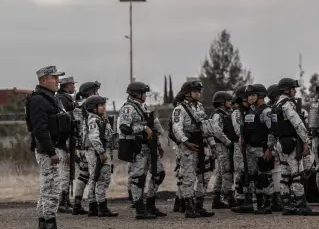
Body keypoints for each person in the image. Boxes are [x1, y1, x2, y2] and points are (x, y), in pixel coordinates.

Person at [25, 66, 76, 229]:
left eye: (58, 78)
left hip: (54, 148)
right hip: (49, 151)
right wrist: (51, 151)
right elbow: (39, 129)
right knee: (52, 191)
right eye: (54, 78)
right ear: (43, 80)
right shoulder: (38, 100)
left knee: (47, 190)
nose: (58, 81)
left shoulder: (50, 99)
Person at [171, 80, 230, 218]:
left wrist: (213, 145)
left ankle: (199, 205)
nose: (199, 93)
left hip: (203, 145)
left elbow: (206, 128)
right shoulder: (179, 109)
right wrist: (185, 142)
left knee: (205, 176)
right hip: (188, 146)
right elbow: (176, 128)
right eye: (196, 91)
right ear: (187, 93)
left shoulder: (200, 107)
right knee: (189, 178)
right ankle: (189, 208)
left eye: (199, 91)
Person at [271, 78, 319, 216]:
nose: (295, 91)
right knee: (297, 174)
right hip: (292, 143)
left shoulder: (276, 106)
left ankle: (287, 204)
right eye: (293, 88)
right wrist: (306, 141)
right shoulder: (288, 105)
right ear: (287, 90)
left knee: (285, 174)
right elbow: (298, 124)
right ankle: (301, 204)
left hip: (281, 143)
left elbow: (273, 128)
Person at [118, 81, 166, 219]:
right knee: (138, 177)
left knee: (159, 173)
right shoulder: (128, 108)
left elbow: (153, 128)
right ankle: (139, 208)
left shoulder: (143, 107)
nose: (145, 95)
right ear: (137, 94)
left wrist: (158, 145)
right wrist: (143, 128)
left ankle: (150, 204)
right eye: (144, 93)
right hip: (137, 147)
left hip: (149, 146)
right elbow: (124, 128)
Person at [232, 84, 275, 214]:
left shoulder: (267, 111)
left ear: (260, 96)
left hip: (262, 149)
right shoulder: (250, 111)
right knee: (250, 176)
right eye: (248, 95)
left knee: (264, 177)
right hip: (250, 150)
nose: (249, 98)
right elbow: (246, 129)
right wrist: (242, 139)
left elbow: (272, 131)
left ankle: (266, 204)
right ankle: (249, 202)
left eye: (252, 95)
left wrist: (270, 148)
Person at [84, 95, 118, 217]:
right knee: (101, 179)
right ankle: (102, 207)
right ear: (93, 108)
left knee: (96, 178)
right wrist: (101, 152)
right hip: (97, 152)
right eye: (101, 105)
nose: (104, 107)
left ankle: (93, 206)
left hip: (100, 151)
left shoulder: (101, 119)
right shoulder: (94, 120)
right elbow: (94, 137)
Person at [71, 81, 101, 215]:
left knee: (83, 174)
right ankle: (93, 204)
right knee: (94, 173)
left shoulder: (77, 106)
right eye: (96, 91)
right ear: (90, 93)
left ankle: (77, 203)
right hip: (88, 145)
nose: (98, 93)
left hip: (79, 145)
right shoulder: (88, 106)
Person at [210, 91, 237, 209]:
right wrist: (228, 142)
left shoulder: (224, 114)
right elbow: (216, 131)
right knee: (227, 171)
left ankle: (216, 199)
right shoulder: (218, 115)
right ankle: (228, 197)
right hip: (222, 146)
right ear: (222, 102)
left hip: (223, 146)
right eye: (228, 100)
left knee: (221, 173)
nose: (230, 103)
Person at [55, 76, 77, 213]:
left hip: (67, 138)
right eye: (71, 84)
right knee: (64, 170)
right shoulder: (62, 99)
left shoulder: (65, 98)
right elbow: (64, 119)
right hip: (64, 139)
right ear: (65, 86)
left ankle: (65, 200)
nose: (74, 87)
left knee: (68, 171)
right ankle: (62, 201)